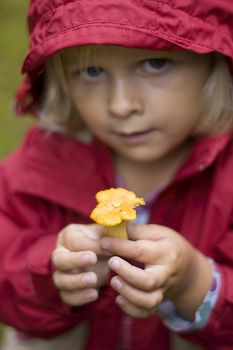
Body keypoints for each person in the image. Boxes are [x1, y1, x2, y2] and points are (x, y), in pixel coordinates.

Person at [0, 0, 233, 349]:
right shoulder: (38, 169)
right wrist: (50, 271)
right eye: (92, 72)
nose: (121, 105)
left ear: (214, 62)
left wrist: (194, 282)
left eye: (155, 64)